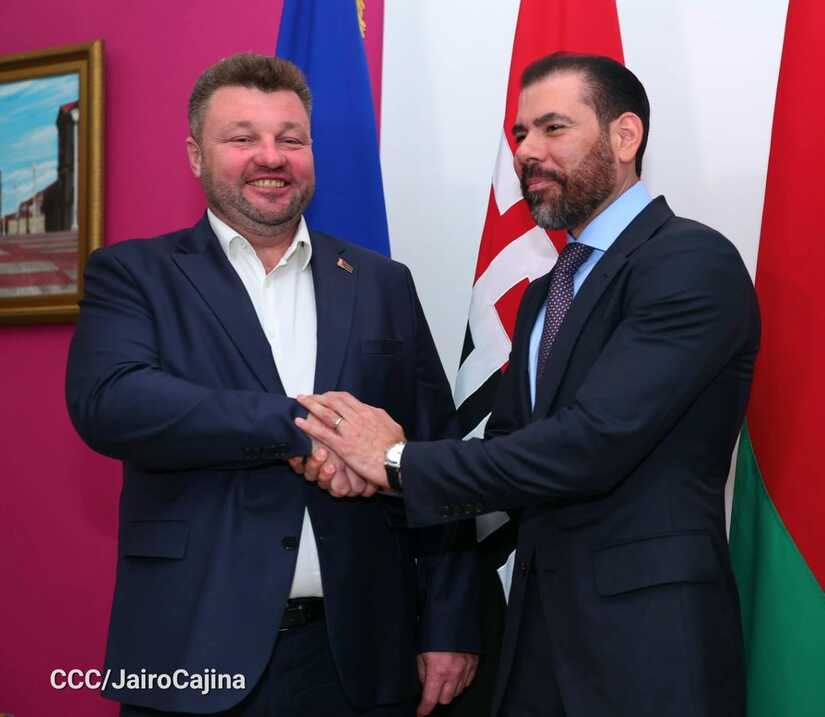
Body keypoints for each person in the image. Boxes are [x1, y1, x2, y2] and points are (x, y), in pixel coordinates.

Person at [294, 52, 759, 717]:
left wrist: (395, 461)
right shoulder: (548, 289)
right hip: (537, 635)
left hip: (649, 643)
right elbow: (510, 451)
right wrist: (372, 473)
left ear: (625, 136)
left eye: (552, 128)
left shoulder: (688, 260)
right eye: (519, 134)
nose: (526, 152)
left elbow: (590, 443)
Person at [66, 53, 480, 717]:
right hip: (190, 649)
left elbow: (436, 452)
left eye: (291, 139)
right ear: (196, 155)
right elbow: (111, 402)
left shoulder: (381, 282)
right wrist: (303, 429)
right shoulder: (134, 274)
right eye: (242, 138)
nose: (271, 157)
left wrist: (451, 624)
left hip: (361, 658)